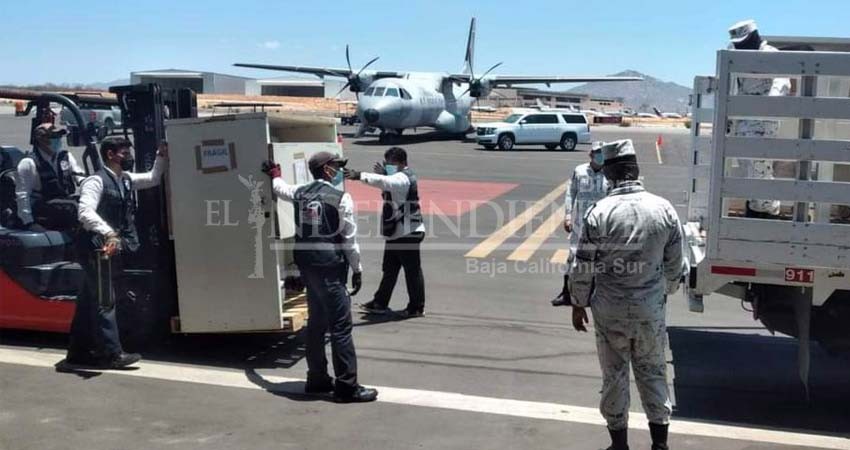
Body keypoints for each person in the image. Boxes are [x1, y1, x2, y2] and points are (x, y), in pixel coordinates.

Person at [569, 139, 684, 450]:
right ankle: (660, 444)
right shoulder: (664, 209)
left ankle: (619, 445)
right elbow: (677, 266)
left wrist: (578, 303)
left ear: (609, 175)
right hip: (650, 308)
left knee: (615, 376)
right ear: (636, 171)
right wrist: (663, 292)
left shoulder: (599, 212)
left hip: (610, 310)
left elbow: (583, 266)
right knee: (653, 372)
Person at [262, 151, 378, 403]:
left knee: (316, 323)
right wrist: (357, 269)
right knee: (340, 328)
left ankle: (316, 378)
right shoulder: (340, 197)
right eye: (336, 166)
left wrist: (274, 176)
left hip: (306, 264)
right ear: (326, 169)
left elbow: (281, 189)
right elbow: (349, 238)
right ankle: (347, 386)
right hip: (330, 265)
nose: (339, 171)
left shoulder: (300, 192)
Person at [65, 137, 168, 369]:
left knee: (87, 301)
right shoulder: (95, 181)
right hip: (96, 247)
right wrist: (109, 233)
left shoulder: (125, 180)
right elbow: (85, 213)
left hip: (107, 247)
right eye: (124, 152)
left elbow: (152, 178)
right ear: (110, 155)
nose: (128, 156)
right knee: (105, 300)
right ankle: (112, 354)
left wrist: (161, 155)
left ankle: (77, 353)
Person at [345, 147, 426, 318]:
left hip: (407, 233)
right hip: (398, 232)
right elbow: (388, 188)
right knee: (389, 269)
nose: (388, 165)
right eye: (387, 163)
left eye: (391, 163)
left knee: (412, 271)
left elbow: (385, 182)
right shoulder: (396, 177)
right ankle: (380, 302)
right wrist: (386, 175)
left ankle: (416, 307)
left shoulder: (403, 178)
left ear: (402, 163)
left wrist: (358, 175)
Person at [728, 19, 791, 219]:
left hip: (762, 122)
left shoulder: (770, 55)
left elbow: (782, 83)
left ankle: (765, 214)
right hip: (742, 121)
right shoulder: (735, 54)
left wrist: (767, 106)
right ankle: (755, 209)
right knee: (749, 170)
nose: (741, 47)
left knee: (760, 170)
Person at [551, 143, 609, 306]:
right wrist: (568, 216)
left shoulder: (610, 175)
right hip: (580, 225)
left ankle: (593, 295)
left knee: (599, 261)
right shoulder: (580, 171)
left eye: (603, 153)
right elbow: (571, 193)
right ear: (590, 154)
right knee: (572, 258)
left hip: (601, 227)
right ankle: (566, 293)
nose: (600, 156)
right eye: (597, 153)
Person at [15, 123, 84, 231]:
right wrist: (29, 223)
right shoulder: (28, 163)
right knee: (73, 208)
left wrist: (90, 184)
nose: (58, 140)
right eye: (54, 137)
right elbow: (22, 196)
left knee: (88, 203)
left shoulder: (65, 156)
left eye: (59, 137)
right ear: (41, 139)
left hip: (64, 202)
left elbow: (80, 176)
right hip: (43, 207)